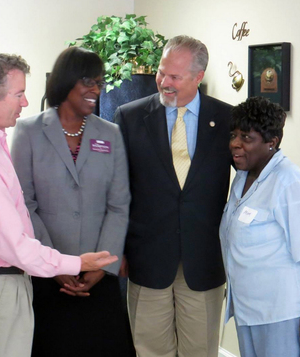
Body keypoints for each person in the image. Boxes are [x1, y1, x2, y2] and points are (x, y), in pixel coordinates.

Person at [0, 53, 118, 357]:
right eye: (19, 94)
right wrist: (77, 263)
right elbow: (15, 246)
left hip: (0, 285)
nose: (25, 102)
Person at [11, 47, 134, 357]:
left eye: (99, 82)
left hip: (99, 276)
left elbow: (119, 204)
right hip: (49, 274)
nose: (96, 90)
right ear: (66, 82)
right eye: (87, 82)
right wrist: (54, 264)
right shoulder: (29, 131)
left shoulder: (111, 134)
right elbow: (24, 204)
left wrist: (102, 267)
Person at [114, 35, 232, 357]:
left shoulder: (227, 119)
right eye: (161, 72)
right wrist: (118, 248)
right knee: (149, 349)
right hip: (147, 258)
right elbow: (118, 191)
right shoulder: (130, 117)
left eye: (175, 77)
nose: (164, 82)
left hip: (204, 259)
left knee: (200, 350)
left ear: (198, 77)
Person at [220, 96, 300, 357]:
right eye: (234, 135)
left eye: (246, 138)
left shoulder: (290, 183)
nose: (235, 144)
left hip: (282, 314)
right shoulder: (242, 178)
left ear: (272, 143)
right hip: (248, 310)